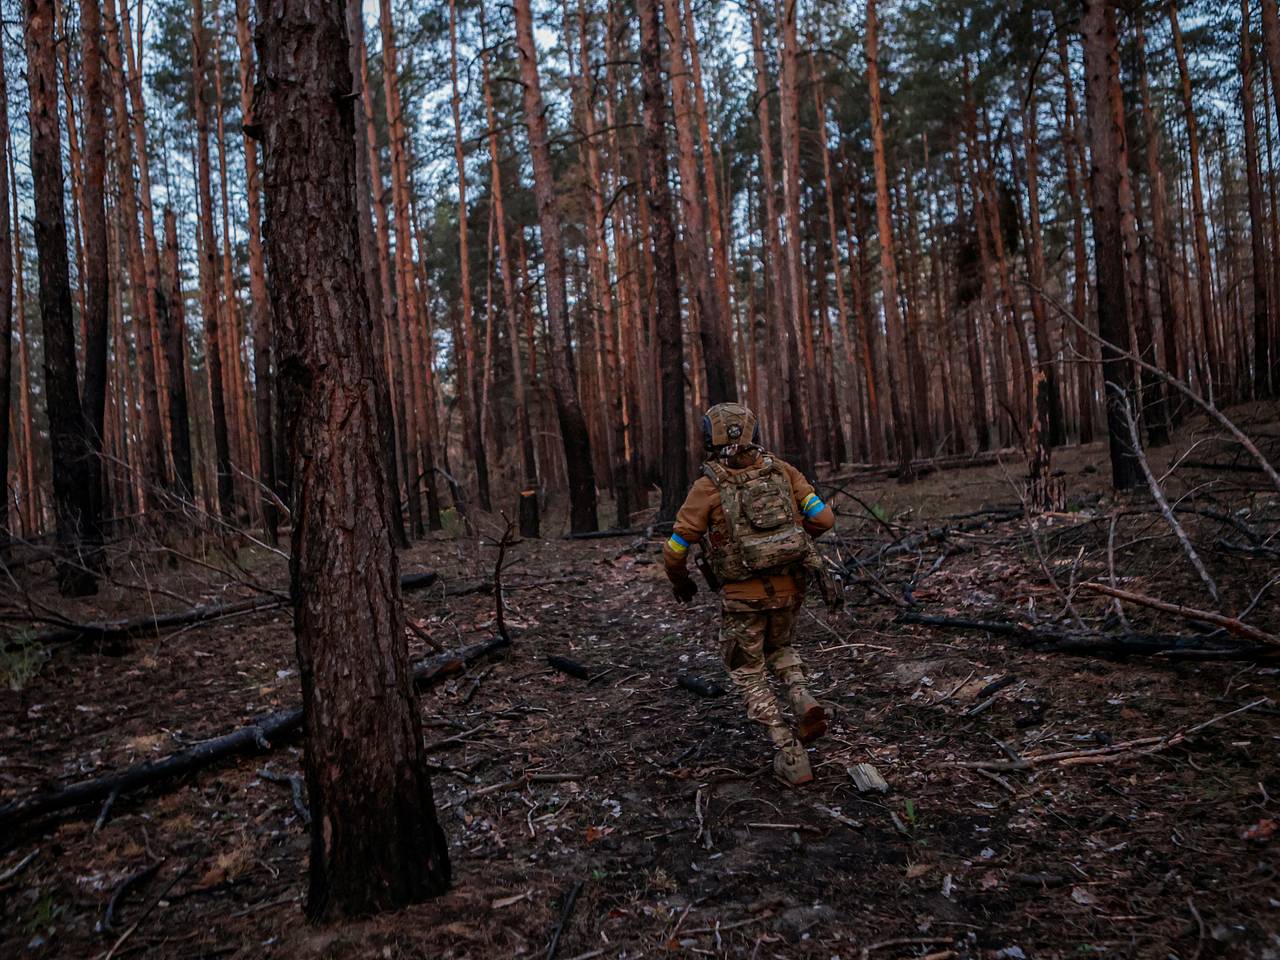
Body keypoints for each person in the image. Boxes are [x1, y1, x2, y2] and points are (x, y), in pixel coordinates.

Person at [663, 403, 837, 786]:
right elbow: (823, 519)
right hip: (791, 586)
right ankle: (801, 695)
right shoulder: (782, 471)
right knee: (780, 646)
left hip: (743, 596)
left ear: (710, 437)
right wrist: (789, 542)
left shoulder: (708, 486)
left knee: (746, 668)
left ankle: (789, 752)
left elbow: (676, 548)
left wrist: (681, 582)